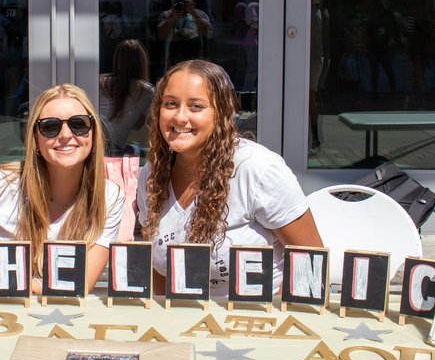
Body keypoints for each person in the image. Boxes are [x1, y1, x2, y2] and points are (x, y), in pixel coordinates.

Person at [137, 59, 323, 296]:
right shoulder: (152, 174)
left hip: (256, 322)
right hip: (183, 323)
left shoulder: (257, 169)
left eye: (196, 106)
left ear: (221, 113)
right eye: (171, 104)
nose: (180, 117)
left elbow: (311, 261)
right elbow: (160, 270)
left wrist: (276, 316)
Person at [0, 84, 125, 293]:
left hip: (62, 313)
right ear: (35, 138)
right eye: (50, 127)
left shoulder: (109, 196)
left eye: (78, 124)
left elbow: (81, 282)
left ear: (93, 133)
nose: (65, 135)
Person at [98, 39, 155, 154]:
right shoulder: (146, 91)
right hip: (114, 148)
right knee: (135, 148)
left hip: (95, 143)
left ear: (117, 60)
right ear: (142, 62)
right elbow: (138, 125)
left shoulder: (100, 81)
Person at [156, 0, 212, 71]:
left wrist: (193, 13)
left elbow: (208, 32)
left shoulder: (200, 14)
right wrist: (172, 16)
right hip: (172, 65)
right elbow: (161, 35)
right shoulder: (166, 15)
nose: (182, 1)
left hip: (195, 66)